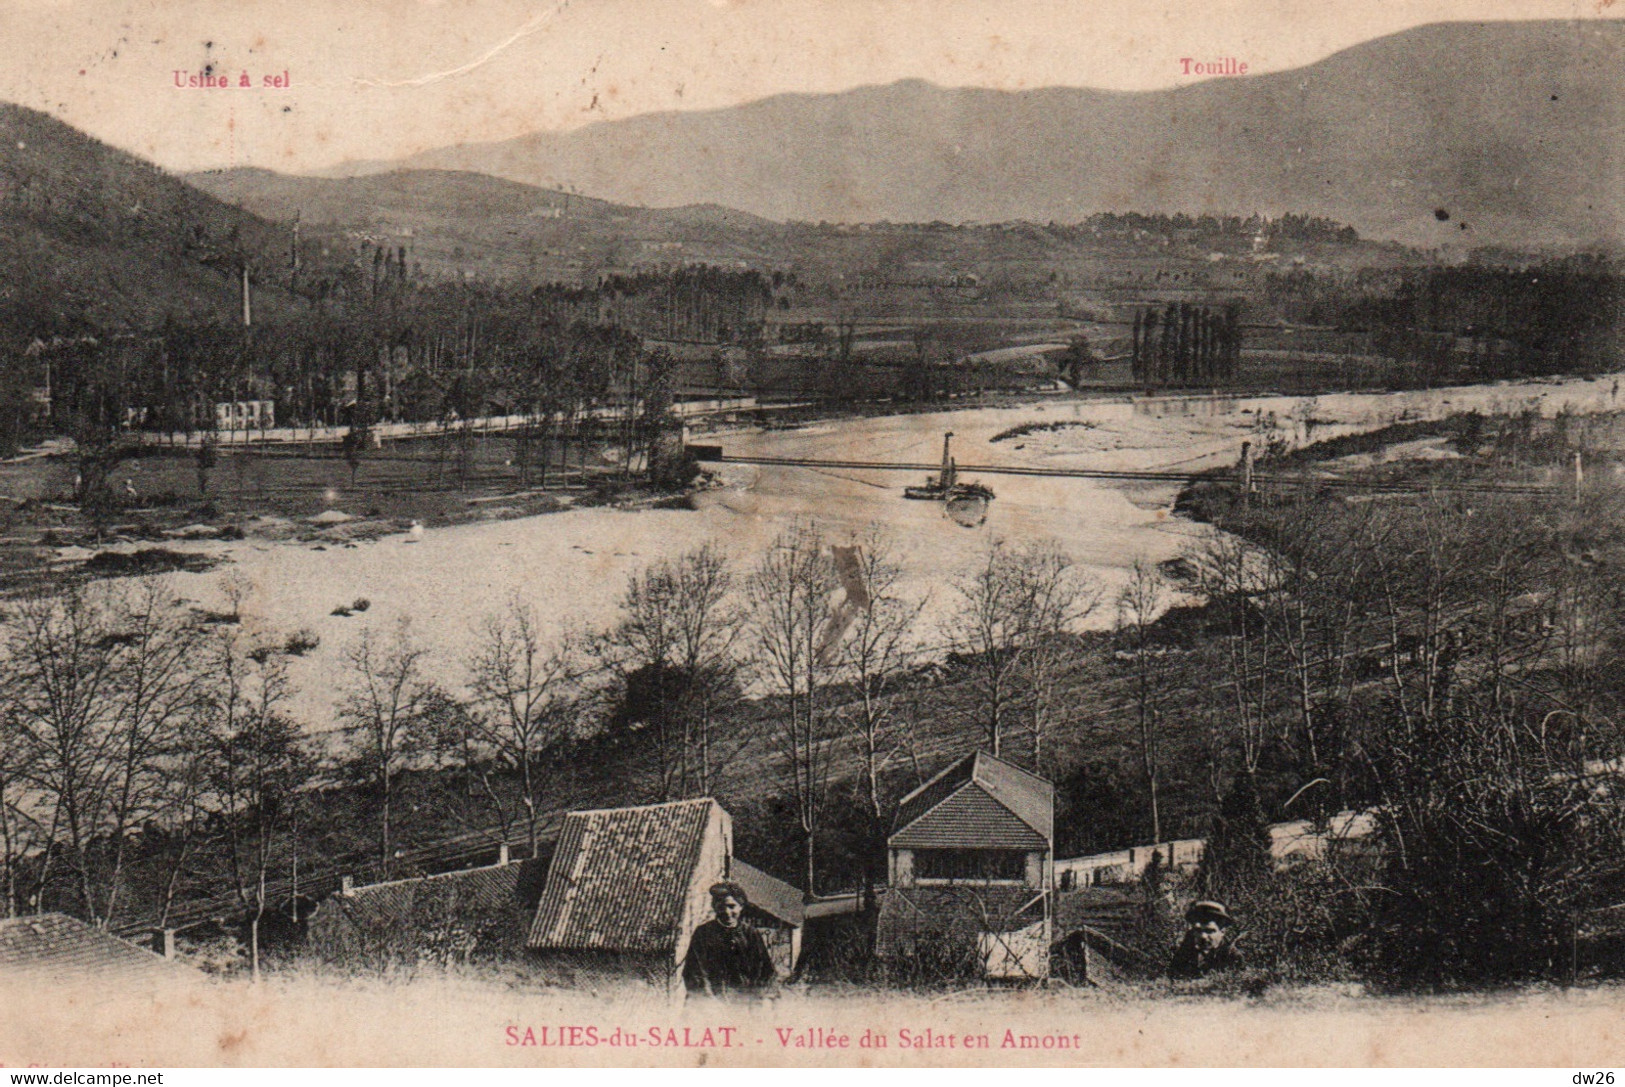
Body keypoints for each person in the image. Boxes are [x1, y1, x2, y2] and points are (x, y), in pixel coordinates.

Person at [682, 881, 778, 997]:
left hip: (746, 999)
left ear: (741, 907)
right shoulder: (703, 933)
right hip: (713, 1000)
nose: (727, 912)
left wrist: (757, 996)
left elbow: (766, 971)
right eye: (721, 907)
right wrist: (709, 999)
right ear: (714, 907)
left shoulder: (750, 934)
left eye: (732, 906)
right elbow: (694, 971)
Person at [1169, 899, 1243, 978]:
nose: (1203, 936)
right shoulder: (1185, 954)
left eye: (1209, 931)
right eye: (1198, 930)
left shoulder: (1231, 957)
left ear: (1222, 932)